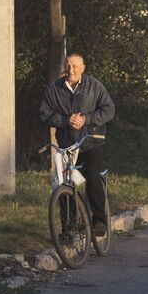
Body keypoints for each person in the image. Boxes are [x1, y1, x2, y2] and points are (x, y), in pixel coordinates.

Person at [39, 53, 115, 236]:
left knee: (92, 175)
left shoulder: (94, 86)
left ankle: (99, 221)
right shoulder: (54, 89)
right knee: (63, 184)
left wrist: (86, 119)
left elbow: (109, 109)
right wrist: (66, 120)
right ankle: (68, 228)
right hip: (67, 144)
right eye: (67, 66)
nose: (70, 70)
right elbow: (44, 113)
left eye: (74, 66)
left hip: (91, 141)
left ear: (82, 68)